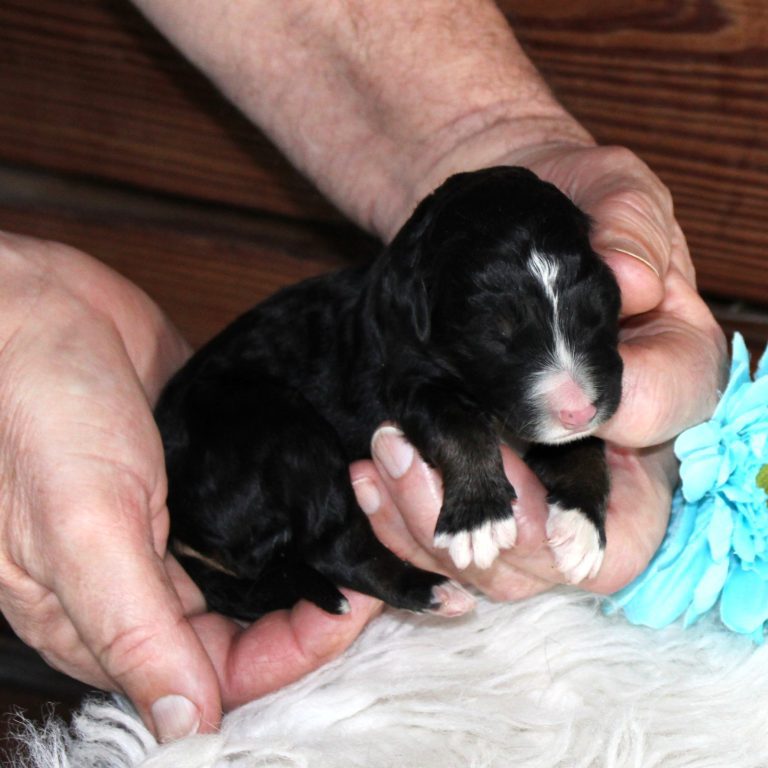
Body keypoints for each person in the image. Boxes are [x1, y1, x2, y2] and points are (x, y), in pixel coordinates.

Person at [0, 0, 725, 744]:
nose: (570, 389)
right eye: (507, 338)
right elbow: (427, 407)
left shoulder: (474, 305)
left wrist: (505, 138)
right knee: (308, 469)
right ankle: (369, 572)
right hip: (225, 440)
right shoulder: (407, 340)